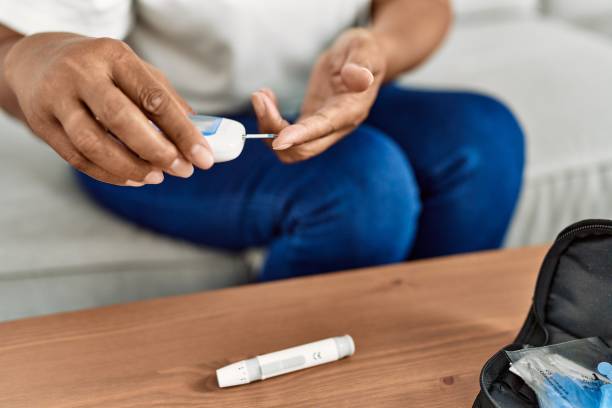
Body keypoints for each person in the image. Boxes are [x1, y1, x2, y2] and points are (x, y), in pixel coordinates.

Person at [0, 0, 524, 281]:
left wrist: (375, 49)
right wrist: (28, 59)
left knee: (487, 139)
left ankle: (418, 363)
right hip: (163, 134)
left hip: (328, 91)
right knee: (363, 184)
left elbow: (423, 5)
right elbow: (20, 47)